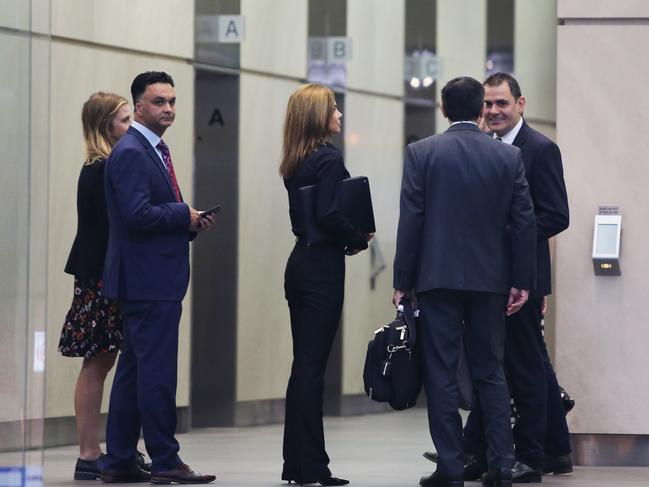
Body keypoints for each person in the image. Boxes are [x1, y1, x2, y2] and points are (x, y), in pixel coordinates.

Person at [393, 77, 536, 487]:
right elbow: (523, 222)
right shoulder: (507, 159)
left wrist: (404, 280)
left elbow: (412, 219)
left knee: (440, 372)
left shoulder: (422, 153)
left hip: (436, 280)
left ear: (442, 109)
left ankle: (451, 468)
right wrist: (522, 280)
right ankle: (503, 466)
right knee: (490, 371)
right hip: (491, 282)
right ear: (480, 111)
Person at [101, 71, 216, 484]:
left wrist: (188, 221)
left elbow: (149, 212)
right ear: (138, 107)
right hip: (149, 282)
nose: (168, 109)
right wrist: (181, 213)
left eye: (171, 101)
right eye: (158, 102)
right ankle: (166, 460)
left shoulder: (151, 149)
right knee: (156, 375)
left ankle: (118, 460)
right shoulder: (133, 151)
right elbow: (136, 215)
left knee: (134, 372)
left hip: (150, 279)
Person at [458, 72, 571, 483]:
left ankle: (531, 456)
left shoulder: (541, 150)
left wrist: (504, 231)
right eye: (487, 104)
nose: (493, 111)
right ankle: (485, 450)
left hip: (522, 278)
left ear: (520, 105)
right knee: (496, 368)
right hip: (487, 279)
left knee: (524, 370)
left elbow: (557, 215)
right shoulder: (483, 147)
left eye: (501, 104)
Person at [279, 83, 372, 486]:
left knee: (304, 365)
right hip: (322, 268)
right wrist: (358, 237)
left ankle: (297, 464)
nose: (340, 115)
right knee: (312, 368)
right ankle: (314, 466)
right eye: (335, 108)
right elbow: (332, 213)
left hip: (299, 263)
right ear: (319, 116)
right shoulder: (330, 160)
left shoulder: (296, 161)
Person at [59, 92, 151, 480]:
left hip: (101, 274)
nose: (132, 127)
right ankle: (89, 450)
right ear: (105, 126)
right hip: (100, 277)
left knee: (104, 359)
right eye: (125, 120)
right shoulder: (102, 168)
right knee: (97, 361)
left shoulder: (103, 165)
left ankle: (102, 448)